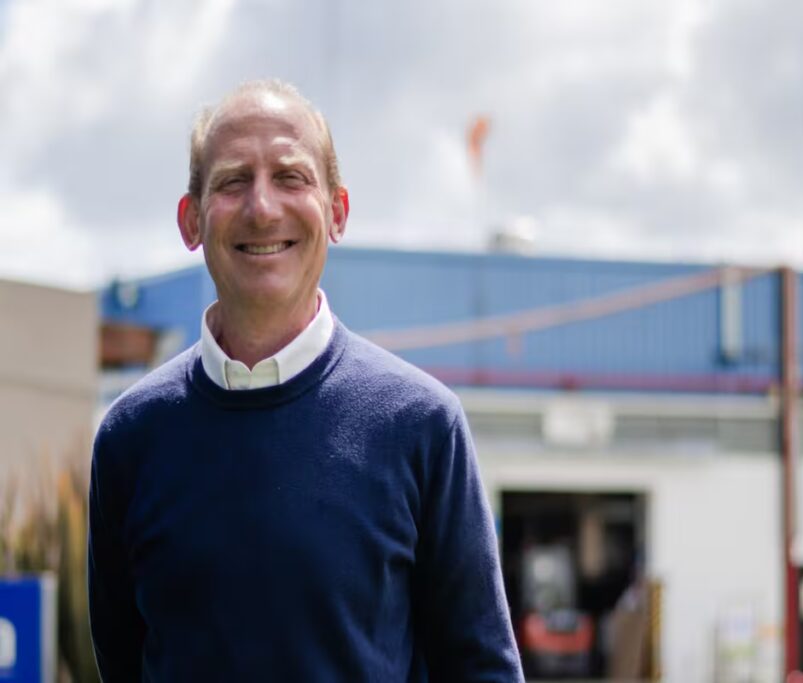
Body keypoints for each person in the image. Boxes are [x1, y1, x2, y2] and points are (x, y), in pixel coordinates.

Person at [88, 79, 524, 682]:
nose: (262, 208)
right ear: (191, 221)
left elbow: (481, 670)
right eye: (233, 181)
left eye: (290, 177)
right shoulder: (131, 437)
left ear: (337, 212)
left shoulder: (423, 426)